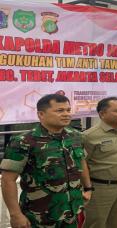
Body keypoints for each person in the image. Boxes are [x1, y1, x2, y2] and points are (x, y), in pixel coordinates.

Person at [0, 94, 89, 227]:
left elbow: (81, 161)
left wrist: (88, 187)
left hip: (71, 212)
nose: (66, 114)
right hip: (39, 216)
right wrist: (16, 215)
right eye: (60, 110)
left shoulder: (75, 136)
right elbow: (8, 179)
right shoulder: (24, 141)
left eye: (68, 110)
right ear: (41, 114)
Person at [81, 97, 117, 228]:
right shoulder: (89, 136)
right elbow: (81, 164)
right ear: (102, 114)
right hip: (100, 189)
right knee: (96, 224)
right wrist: (87, 188)